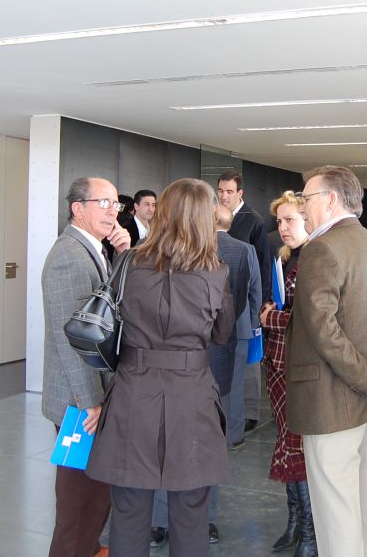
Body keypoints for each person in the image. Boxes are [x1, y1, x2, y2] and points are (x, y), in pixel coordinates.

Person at [86, 179, 235, 557]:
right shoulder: (216, 272)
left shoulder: (128, 263)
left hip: (133, 391)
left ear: (162, 213)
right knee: (190, 509)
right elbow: (222, 334)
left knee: (129, 508)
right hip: (192, 396)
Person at [286, 165, 367, 557]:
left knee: (337, 515)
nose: (302, 208)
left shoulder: (321, 248)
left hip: (333, 405)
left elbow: (323, 330)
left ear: (330, 200)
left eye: (306, 199)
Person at [150, 204, 259, 547]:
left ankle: (201, 518)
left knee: (205, 444)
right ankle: (166, 518)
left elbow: (235, 306)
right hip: (173, 364)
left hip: (213, 360)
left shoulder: (238, 252)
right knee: (168, 439)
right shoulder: (160, 250)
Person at [42, 177, 131, 557]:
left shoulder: (94, 248)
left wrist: (124, 253)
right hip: (80, 400)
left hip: (89, 395)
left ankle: (89, 548)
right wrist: (90, 400)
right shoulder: (69, 256)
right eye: (103, 203)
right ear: (77, 208)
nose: (113, 211)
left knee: (94, 491)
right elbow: (72, 339)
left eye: (115, 204)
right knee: (79, 499)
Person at [258, 191, 316, 557]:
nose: (282, 227)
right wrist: (269, 310)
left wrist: (271, 317)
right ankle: (295, 523)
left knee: (299, 448)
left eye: (289, 220)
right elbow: (272, 302)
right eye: (279, 221)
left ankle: (310, 532)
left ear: (308, 220)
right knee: (286, 442)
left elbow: (312, 319)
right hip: (277, 363)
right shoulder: (283, 256)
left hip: (302, 367)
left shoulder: (316, 258)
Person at [216, 170, 271, 432]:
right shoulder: (215, 217)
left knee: (247, 363)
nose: (224, 196)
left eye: (229, 191)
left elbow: (262, 264)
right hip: (220, 305)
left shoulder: (253, 220)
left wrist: (260, 306)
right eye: (220, 191)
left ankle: (248, 413)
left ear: (240, 193)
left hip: (245, 304)